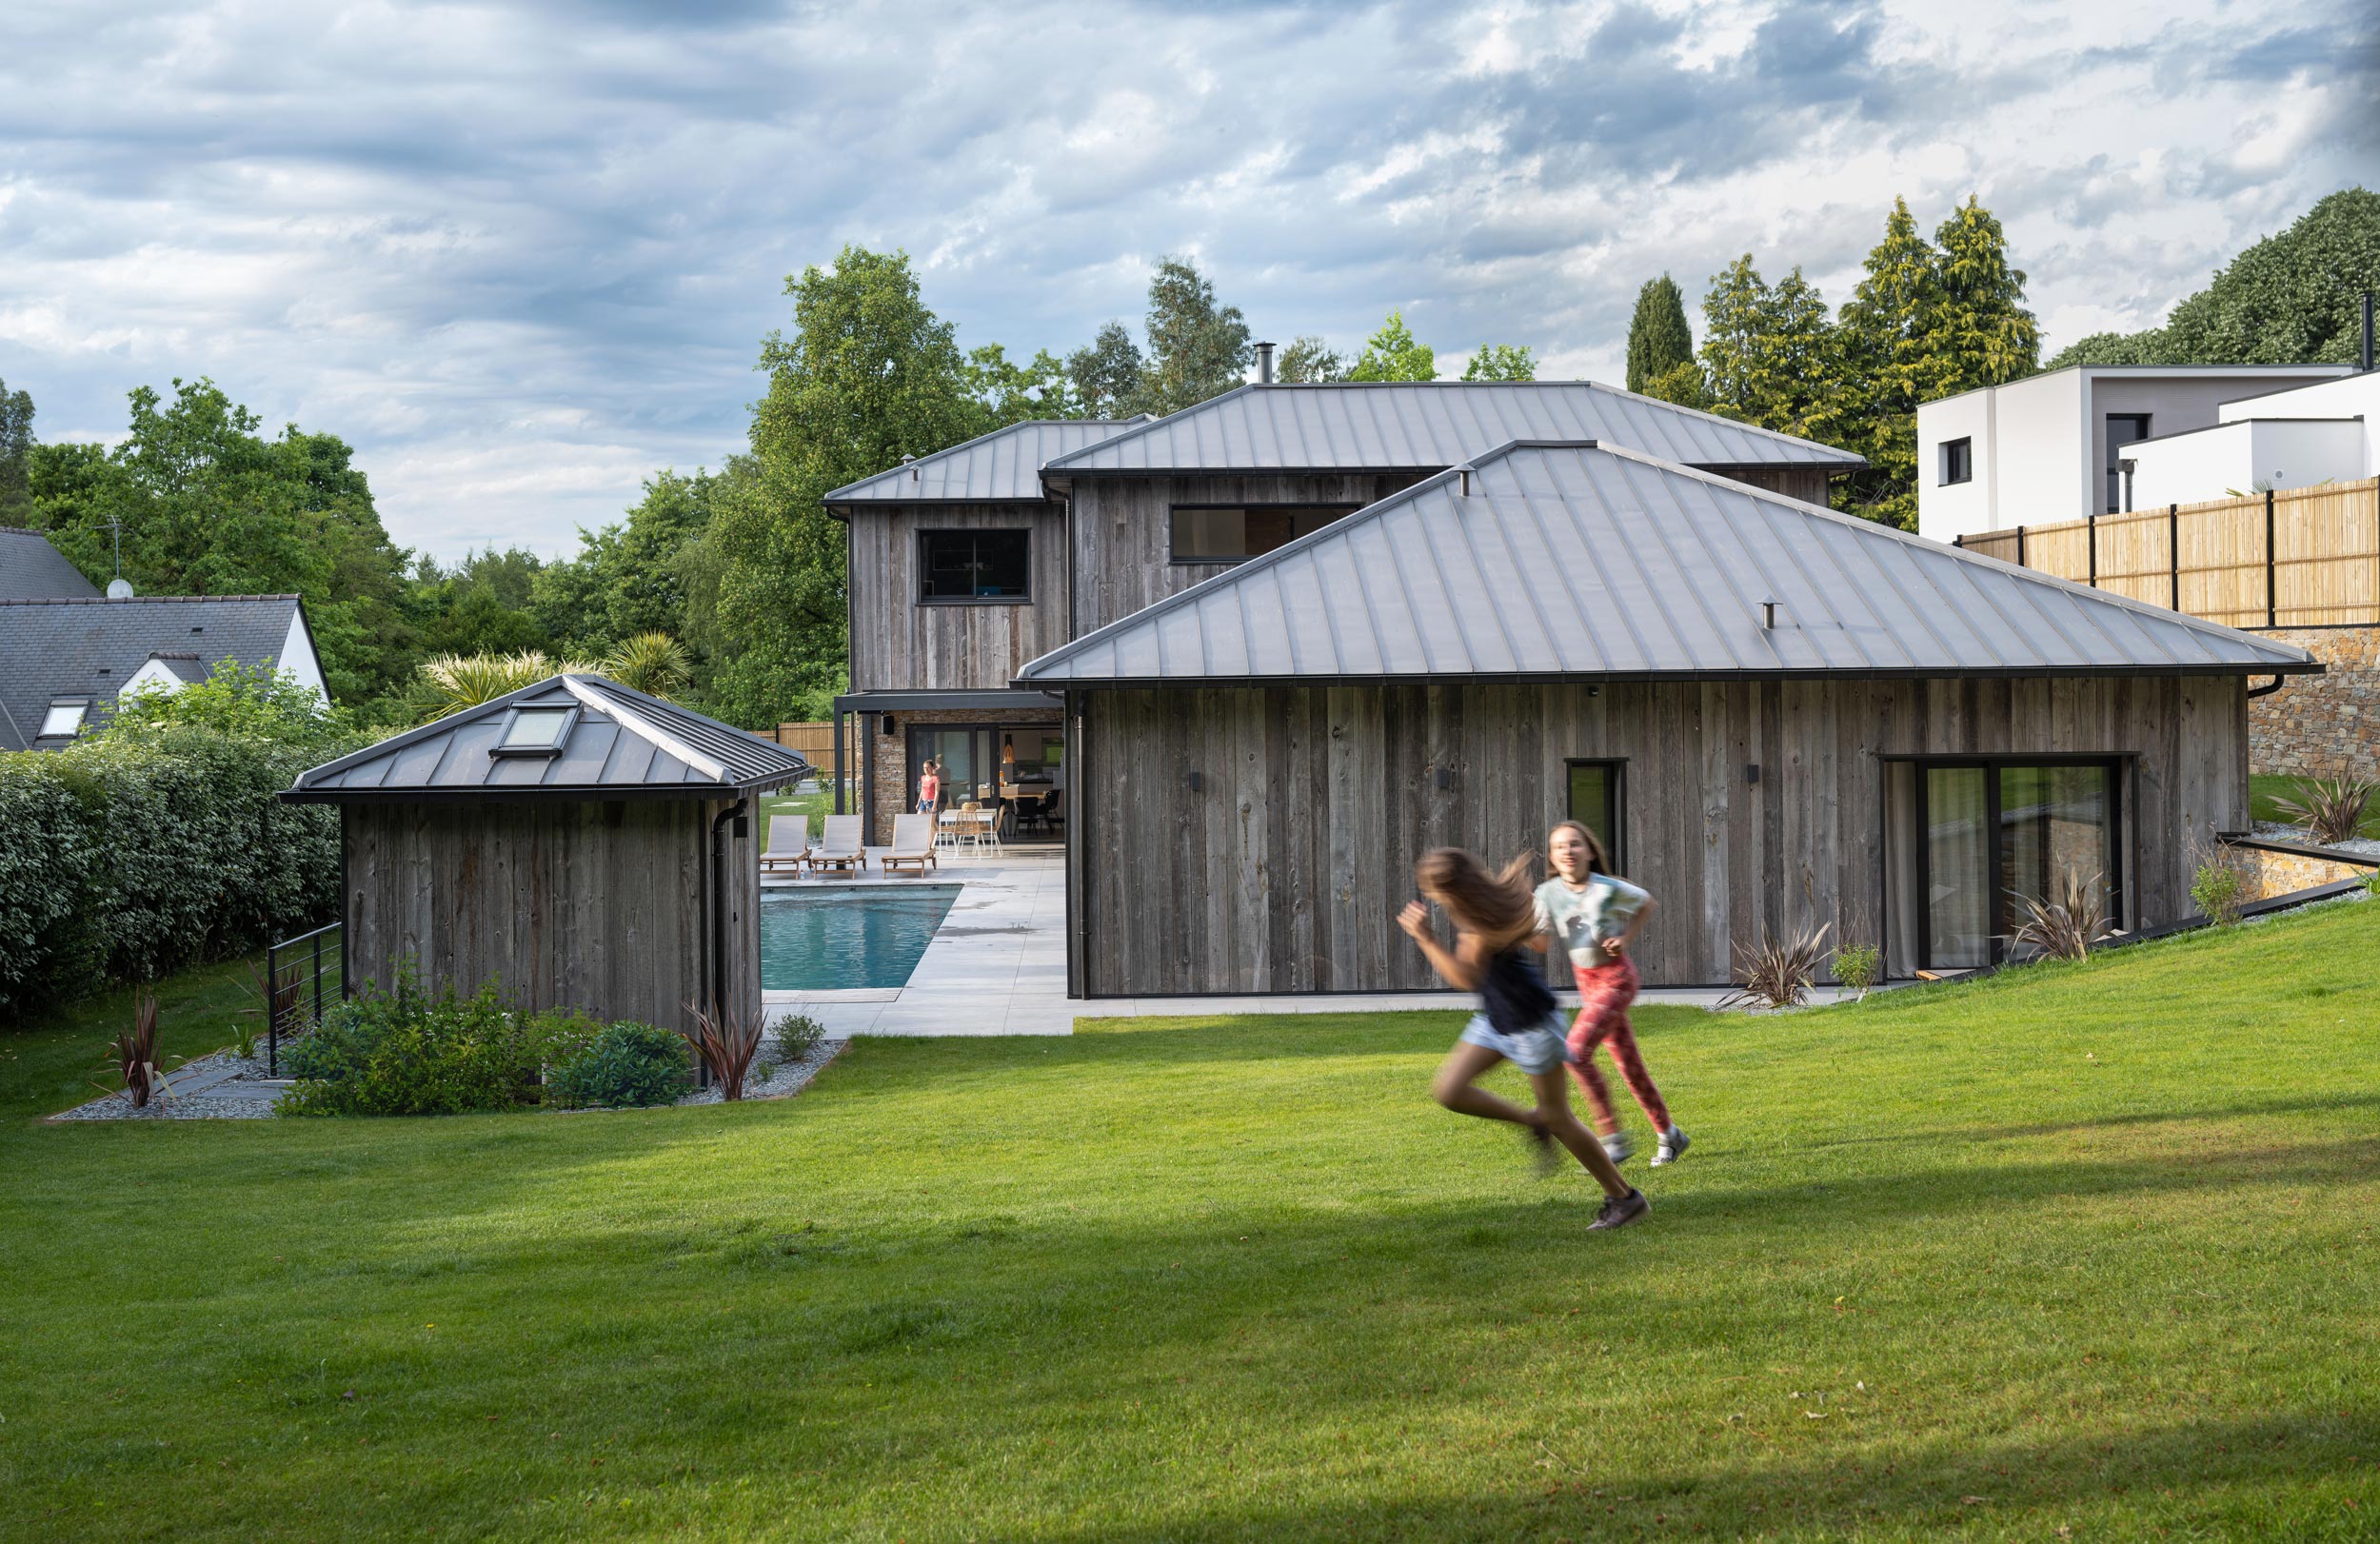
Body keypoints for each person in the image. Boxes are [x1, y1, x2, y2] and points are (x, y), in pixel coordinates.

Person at [1399, 847, 1650, 1232]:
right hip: (1498, 1018)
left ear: (1448, 890)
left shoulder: (1477, 922)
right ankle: (1534, 1121)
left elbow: (1465, 978)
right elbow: (1535, 939)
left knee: (1561, 1117)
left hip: (1532, 1023)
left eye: (1430, 890)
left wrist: (1425, 938)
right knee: (1450, 1090)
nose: (1428, 896)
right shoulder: (1481, 908)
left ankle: (1624, 1197)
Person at [1533, 821, 1689, 1167]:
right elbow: (1539, 942)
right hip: (1587, 986)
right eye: (1559, 847)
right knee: (1629, 1066)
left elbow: (1646, 903)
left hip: (1617, 979)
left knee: (1575, 1052)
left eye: (1575, 845)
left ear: (1589, 851)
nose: (1567, 852)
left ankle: (1612, 1139)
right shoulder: (1547, 894)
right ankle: (1670, 1135)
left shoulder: (1606, 888)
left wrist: (1625, 938)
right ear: (1553, 858)